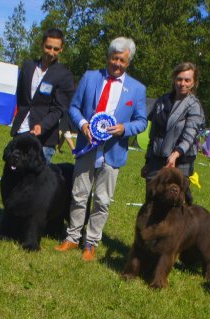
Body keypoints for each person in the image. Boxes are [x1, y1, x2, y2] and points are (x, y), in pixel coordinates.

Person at [54, 36, 147, 262]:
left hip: (113, 152)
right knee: (79, 194)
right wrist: (83, 124)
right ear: (108, 57)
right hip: (87, 147)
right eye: (114, 58)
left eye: (122, 60)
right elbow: (74, 108)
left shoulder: (137, 89)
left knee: (102, 201)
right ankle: (72, 237)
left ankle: (91, 243)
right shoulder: (90, 77)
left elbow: (142, 121)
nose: (117, 64)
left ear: (128, 62)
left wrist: (124, 128)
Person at [141, 62, 205, 205]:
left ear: (193, 83)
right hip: (156, 161)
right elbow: (154, 134)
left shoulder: (194, 106)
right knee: (150, 204)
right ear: (174, 79)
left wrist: (175, 155)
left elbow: (189, 135)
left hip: (180, 164)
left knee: (173, 208)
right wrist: (148, 161)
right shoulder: (162, 101)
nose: (182, 84)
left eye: (187, 80)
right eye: (179, 79)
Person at [10, 28, 75, 163]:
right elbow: (21, 96)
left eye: (56, 49)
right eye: (48, 47)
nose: (51, 52)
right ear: (42, 45)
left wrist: (42, 125)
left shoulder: (64, 75)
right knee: (15, 173)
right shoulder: (28, 66)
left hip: (44, 139)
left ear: (61, 49)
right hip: (21, 131)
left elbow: (59, 109)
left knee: (36, 176)